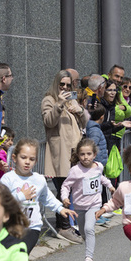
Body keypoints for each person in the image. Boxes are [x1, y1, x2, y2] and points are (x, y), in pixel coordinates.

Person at [0, 139, 75, 261]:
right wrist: (20, 195)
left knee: (21, 257)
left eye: (31, 159)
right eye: (23, 157)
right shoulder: (8, 179)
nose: (27, 162)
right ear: (15, 158)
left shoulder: (39, 179)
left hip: (31, 227)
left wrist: (61, 208)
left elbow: (47, 198)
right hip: (9, 228)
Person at [42, 70, 87, 242]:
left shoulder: (72, 100)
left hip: (74, 151)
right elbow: (49, 122)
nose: (65, 88)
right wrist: (59, 104)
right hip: (60, 152)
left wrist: (80, 111)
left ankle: (69, 224)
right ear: (56, 83)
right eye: (62, 84)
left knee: (72, 188)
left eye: (68, 85)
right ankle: (63, 226)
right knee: (63, 189)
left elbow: (83, 124)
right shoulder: (49, 100)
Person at [61, 138, 110, 261]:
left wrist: (110, 186)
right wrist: (65, 198)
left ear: (94, 154)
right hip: (79, 207)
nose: (85, 157)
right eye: (82, 154)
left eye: (88, 154)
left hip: (94, 204)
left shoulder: (98, 166)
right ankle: (87, 240)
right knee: (83, 231)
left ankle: (89, 258)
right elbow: (66, 185)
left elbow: (101, 178)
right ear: (78, 155)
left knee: (89, 228)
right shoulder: (75, 170)